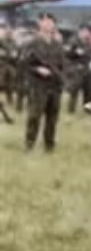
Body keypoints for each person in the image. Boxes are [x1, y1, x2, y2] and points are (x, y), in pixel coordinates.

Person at [21, 13, 67, 152]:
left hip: (54, 84)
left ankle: (49, 145)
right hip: (38, 85)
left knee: (52, 117)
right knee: (35, 116)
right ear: (39, 23)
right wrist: (37, 69)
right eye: (44, 21)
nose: (47, 24)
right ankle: (29, 144)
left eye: (50, 21)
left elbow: (62, 64)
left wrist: (62, 79)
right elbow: (24, 62)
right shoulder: (32, 43)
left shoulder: (57, 44)